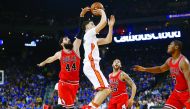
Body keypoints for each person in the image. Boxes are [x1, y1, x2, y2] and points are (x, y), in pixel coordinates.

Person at [37, 7, 91, 109]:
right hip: (63, 83)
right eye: (66, 39)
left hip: (75, 83)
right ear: (62, 43)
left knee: (67, 106)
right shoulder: (60, 54)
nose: (68, 39)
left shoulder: (75, 48)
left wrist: (82, 15)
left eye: (68, 38)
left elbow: (80, 32)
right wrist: (43, 63)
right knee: (66, 106)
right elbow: (50, 59)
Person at [133, 40, 190, 109]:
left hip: (187, 93)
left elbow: (189, 80)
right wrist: (145, 69)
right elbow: (160, 69)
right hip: (177, 93)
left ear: (176, 47)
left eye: (170, 44)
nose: (168, 46)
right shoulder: (169, 60)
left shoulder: (183, 62)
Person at [81, 8, 115, 109]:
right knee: (106, 89)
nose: (94, 26)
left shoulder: (93, 39)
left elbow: (108, 40)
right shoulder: (88, 34)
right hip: (91, 65)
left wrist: (111, 26)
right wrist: (102, 11)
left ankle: (91, 107)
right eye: (91, 24)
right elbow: (103, 22)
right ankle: (90, 107)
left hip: (92, 66)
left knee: (107, 89)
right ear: (86, 28)